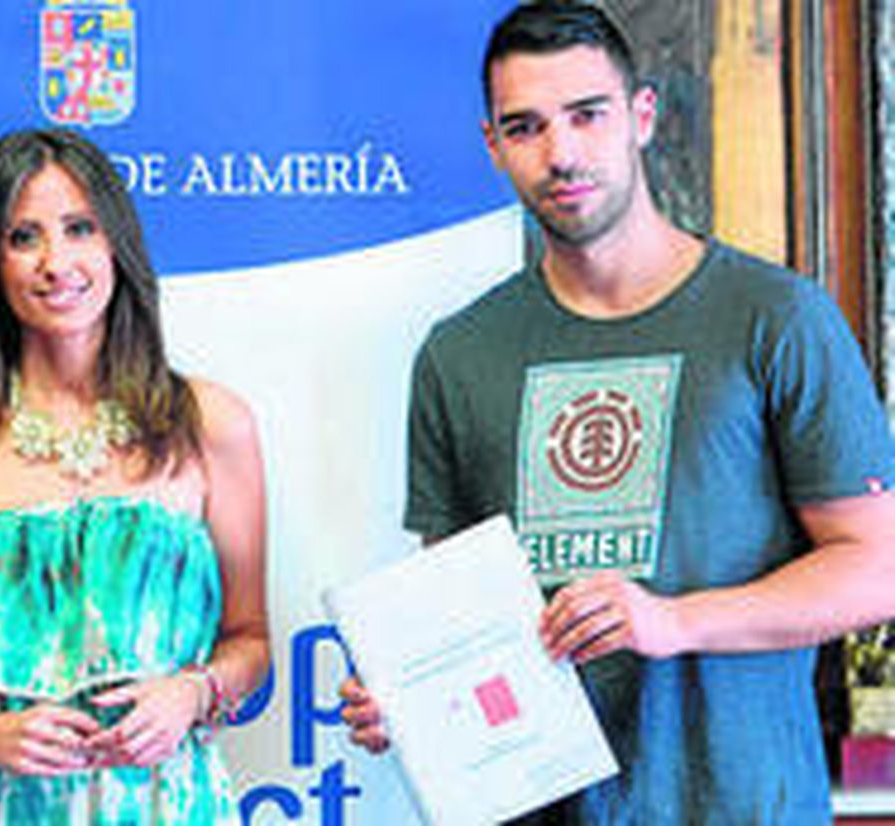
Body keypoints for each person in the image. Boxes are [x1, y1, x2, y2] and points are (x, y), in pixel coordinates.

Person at [340, 2, 895, 823]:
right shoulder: (459, 354)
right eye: (525, 127)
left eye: (586, 115)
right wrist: (417, 701)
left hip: (740, 805)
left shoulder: (776, 318)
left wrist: (672, 620)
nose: (561, 153)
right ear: (493, 146)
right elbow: (461, 617)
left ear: (640, 116)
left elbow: (876, 569)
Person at [0, 128, 270, 824]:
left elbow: (250, 641)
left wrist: (194, 693)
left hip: (164, 804)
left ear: (116, 240)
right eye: (23, 237)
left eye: (79, 228)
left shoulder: (211, 423)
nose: (57, 262)